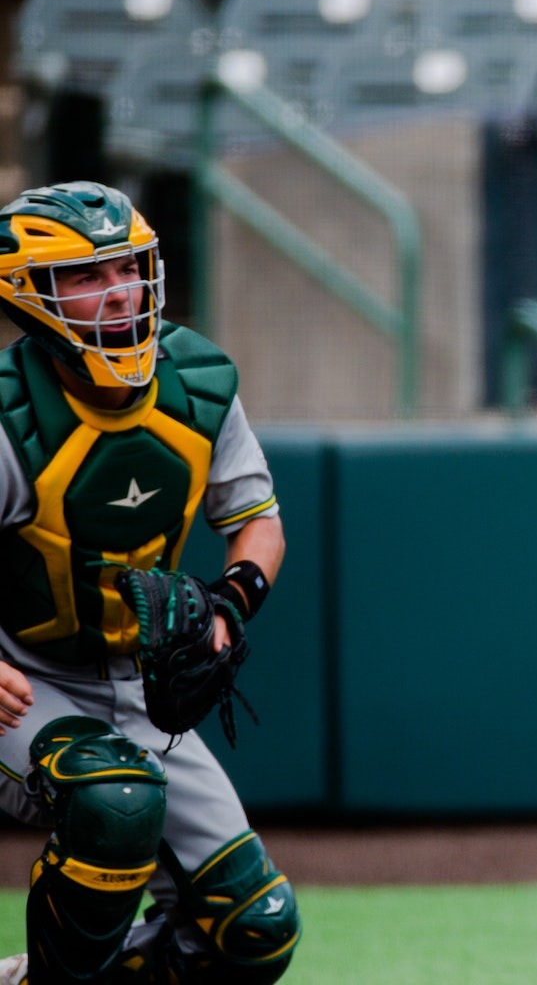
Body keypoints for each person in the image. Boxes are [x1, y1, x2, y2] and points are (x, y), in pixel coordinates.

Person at [0, 182, 300, 983]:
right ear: (30, 294)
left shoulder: (196, 383)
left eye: (128, 268)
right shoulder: (7, 418)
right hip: (23, 682)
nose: (120, 291)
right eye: (87, 277)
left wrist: (232, 605)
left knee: (256, 930)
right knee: (113, 798)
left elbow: (258, 522)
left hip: (137, 679)